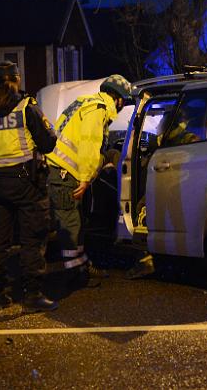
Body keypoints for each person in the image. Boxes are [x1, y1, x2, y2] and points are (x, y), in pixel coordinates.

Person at [0, 62, 58, 312]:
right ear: (17, 79)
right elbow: (48, 142)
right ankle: (33, 294)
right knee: (33, 239)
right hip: (27, 182)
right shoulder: (25, 106)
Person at [45, 74, 131, 288]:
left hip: (64, 172)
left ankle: (81, 264)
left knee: (77, 222)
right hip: (67, 175)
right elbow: (88, 148)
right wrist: (85, 179)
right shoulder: (98, 109)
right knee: (70, 225)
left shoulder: (84, 103)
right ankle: (73, 275)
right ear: (118, 98)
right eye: (123, 102)